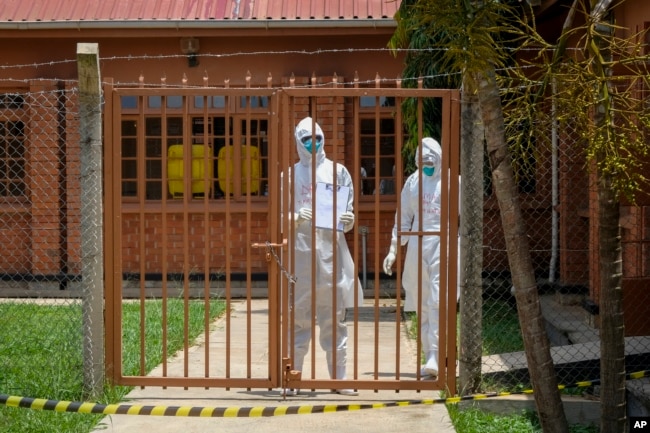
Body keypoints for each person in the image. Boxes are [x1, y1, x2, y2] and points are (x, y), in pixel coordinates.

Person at [282, 116, 363, 396]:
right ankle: (294, 377)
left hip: (331, 254)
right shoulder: (289, 176)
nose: (313, 144)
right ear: (298, 142)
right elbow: (278, 216)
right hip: (301, 254)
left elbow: (349, 212)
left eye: (316, 138)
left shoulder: (338, 172)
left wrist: (348, 219)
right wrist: (293, 217)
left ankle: (338, 379)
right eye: (307, 140)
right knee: (299, 317)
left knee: (334, 318)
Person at [382, 137, 447, 379]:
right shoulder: (413, 182)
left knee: (438, 300)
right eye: (423, 162)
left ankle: (437, 354)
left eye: (431, 162)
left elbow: (465, 216)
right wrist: (393, 249)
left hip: (443, 242)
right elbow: (403, 217)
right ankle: (429, 353)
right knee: (422, 301)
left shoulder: (450, 181)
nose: (427, 166)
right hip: (417, 244)